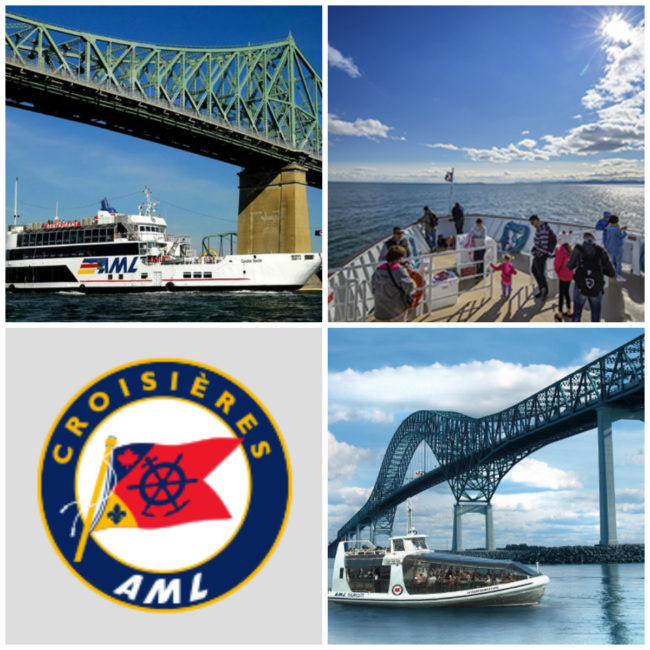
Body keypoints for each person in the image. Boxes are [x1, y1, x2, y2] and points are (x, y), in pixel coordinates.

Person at [567, 232, 615, 322]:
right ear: (594, 239)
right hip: (596, 288)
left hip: (581, 286)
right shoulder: (601, 251)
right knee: (596, 316)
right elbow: (611, 273)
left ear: (584, 239)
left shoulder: (578, 249)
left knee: (577, 314)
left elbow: (569, 266)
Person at [371, 245, 416, 321]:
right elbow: (409, 287)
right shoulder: (399, 270)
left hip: (380, 311)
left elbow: (373, 288)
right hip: (395, 310)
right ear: (399, 257)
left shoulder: (378, 270)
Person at [529, 214, 557, 300]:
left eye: (533, 223)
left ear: (537, 221)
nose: (533, 225)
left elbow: (544, 247)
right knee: (535, 271)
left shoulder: (542, 230)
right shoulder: (540, 228)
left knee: (539, 273)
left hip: (541, 255)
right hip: (538, 253)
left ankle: (544, 291)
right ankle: (542, 289)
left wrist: (537, 253)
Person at [553, 240, 574, 321]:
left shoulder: (561, 251)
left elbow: (557, 263)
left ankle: (560, 314)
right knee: (566, 293)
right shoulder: (570, 251)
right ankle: (569, 312)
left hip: (562, 276)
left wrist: (557, 271)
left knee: (561, 295)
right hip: (569, 275)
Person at [602, 215, 627, 281]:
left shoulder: (608, 227)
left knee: (612, 262)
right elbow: (621, 236)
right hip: (617, 248)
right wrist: (624, 231)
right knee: (618, 262)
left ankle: (612, 274)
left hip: (610, 247)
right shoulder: (617, 229)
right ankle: (618, 276)